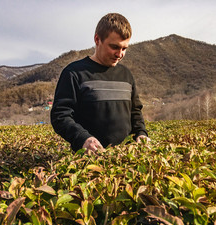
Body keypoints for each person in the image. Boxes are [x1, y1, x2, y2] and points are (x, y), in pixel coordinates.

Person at [51, 13, 149, 153]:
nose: (120, 54)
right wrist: (83, 138)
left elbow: (135, 112)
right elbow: (60, 115)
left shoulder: (126, 75)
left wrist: (141, 133)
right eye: (114, 47)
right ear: (97, 39)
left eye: (124, 48)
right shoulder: (74, 73)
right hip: (89, 161)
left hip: (127, 159)